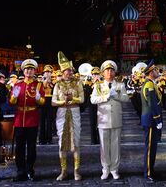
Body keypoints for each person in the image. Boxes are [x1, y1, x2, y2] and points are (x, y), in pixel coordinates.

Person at [91, 60, 129, 180]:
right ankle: (105, 169)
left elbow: (126, 98)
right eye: (107, 70)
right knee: (104, 146)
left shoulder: (120, 85)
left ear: (115, 72)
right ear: (103, 73)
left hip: (116, 118)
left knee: (115, 145)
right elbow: (93, 100)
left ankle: (114, 169)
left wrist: (116, 96)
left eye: (111, 70)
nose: (109, 72)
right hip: (103, 119)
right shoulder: (98, 86)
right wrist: (105, 97)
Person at [9, 59, 45, 181]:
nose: (29, 71)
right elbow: (12, 102)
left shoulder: (38, 85)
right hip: (20, 118)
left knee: (31, 147)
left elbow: (43, 101)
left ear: (34, 71)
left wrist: (39, 98)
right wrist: (14, 96)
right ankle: (20, 171)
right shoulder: (18, 85)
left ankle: (30, 170)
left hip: (32, 117)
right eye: (27, 69)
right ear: (23, 71)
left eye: (31, 69)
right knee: (19, 147)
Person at [52, 52, 85, 181]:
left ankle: (76, 170)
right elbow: (53, 102)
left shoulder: (78, 83)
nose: (69, 72)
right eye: (66, 70)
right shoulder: (58, 84)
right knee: (62, 143)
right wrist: (63, 102)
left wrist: (73, 98)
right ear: (62, 71)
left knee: (76, 141)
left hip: (74, 111)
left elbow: (82, 99)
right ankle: (63, 170)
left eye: (70, 70)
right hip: (61, 113)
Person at [140, 59, 162, 182]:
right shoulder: (149, 85)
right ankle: (148, 172)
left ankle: (151, 170)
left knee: (153, 147)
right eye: (155, 70)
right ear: (150, 72)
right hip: (151, 119)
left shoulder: (151, 83)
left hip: (152, 119)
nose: (157, 71)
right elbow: (152, 104)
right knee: (149, 148)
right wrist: (158, 119)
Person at [39, 64, 55, 144]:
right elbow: (39, 91)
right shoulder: (40, 82)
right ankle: (42, 139)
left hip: (50, 101)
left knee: (49, 121)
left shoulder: (53, 82)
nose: (47, 73)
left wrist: (50, 82)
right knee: (42, 121)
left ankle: (49, 138)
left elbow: (54, 90)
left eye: (49, 72)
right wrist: (44, 82)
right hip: (42, 101)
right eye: (46, 72)